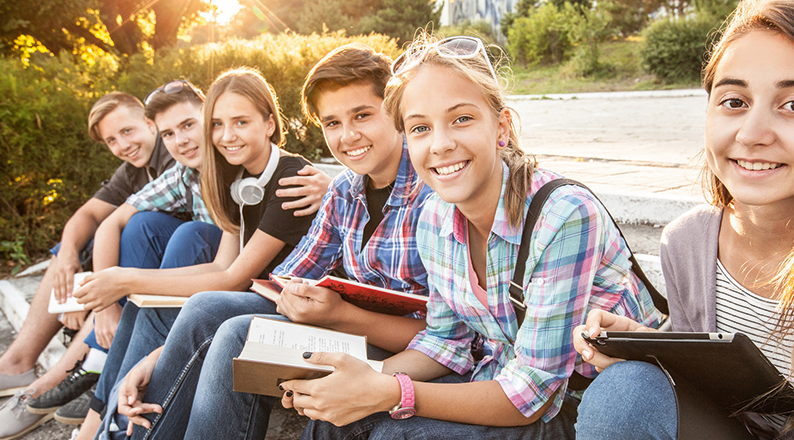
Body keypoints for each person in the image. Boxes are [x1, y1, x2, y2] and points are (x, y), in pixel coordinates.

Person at [277, 34, 661, 439]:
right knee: (334, 421)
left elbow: (533, 394)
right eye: (421, 128)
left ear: (501, 126)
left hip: (582, 404)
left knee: (397, 435)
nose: (440, 145)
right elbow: (447, 342)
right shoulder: (433, 218)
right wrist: (349, 382)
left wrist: (388, 390)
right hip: (500, 379)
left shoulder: (563, 215)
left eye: (461, 119)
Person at [572, 1, 794, 439]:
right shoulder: (689, 242)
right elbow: (708, 394)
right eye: (734, 101)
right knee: (627, 391)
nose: (752, 133)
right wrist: (651, 348)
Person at [110, 43, 436, 440]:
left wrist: (338, 316)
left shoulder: (432, 191)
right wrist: (165, 358)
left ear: (396, 110)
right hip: (342, 326)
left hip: (411, 353)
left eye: (362, 115)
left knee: (234, 336)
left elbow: (451, 333)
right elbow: (283, 279)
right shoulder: (343, 192)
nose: (348, 136)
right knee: (205, 308)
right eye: (332, 123)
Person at [69, 67, 322, 440]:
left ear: (269, 123)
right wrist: (130, 286)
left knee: (198, 306)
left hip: (296, 309)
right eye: (217, 125)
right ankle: (111, 426)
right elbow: (222, 264)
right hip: (255, 298)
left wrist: (125, 279)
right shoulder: (237, 180)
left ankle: (120, 432)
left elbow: (231, 278)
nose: (226, 136)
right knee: (148, 302)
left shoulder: (290, 178)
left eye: (240, 122)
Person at [0, 92, 176, 440]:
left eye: (127, 131)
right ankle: (16, 363)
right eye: (111, 140)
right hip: (138, 268)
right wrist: (68, 260)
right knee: (71, 245)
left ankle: (55, 380)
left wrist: (100, 302)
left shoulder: (175, 157)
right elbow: (90, 214)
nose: (123, 145)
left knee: (135, 230)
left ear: (150, 123)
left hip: (172, 269)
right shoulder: (134, 168)